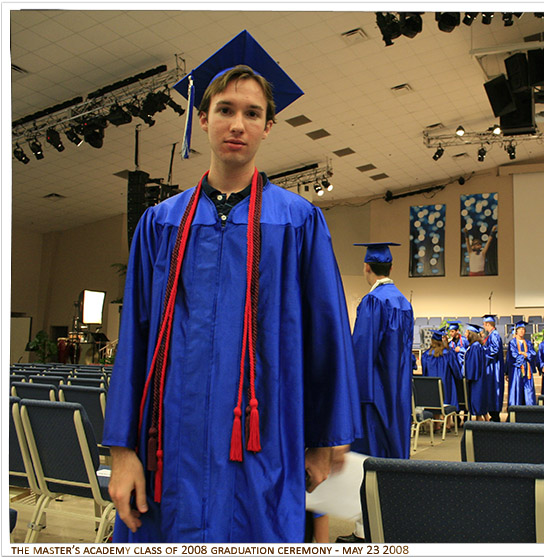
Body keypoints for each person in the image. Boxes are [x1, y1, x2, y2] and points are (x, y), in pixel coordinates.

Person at [103, 31, 360, 543]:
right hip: (168, 450)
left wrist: (323, 442)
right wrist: (122, 451)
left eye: (251, 112)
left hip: (265, 447)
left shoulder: (298, 222)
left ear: (269, 125)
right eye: (224, 109)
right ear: (202, 120)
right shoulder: (160, 225)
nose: (236, 124)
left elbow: (327, 336)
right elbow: (133, 340)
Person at [338, 241, 414, 543]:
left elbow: (361, 352)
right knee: (393, 457)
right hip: (397, 396)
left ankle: (365, 531)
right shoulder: (404, 303)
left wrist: (350, 398)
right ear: (391, 268)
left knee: (367, 460)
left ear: (366, 268)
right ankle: (392, 523)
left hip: (372, 397)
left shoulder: (373, 302)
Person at [420, 329, 461, 408]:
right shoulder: (448, 353)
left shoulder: (426, 355)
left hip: (432, 389)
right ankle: (448, 419)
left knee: (434, 407)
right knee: (448, 408)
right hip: (446, 387)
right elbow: (456, 371)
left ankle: (435, 418)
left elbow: (424, 374)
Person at [506, 321, 539, 406]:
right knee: (516, 390)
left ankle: (529, 411)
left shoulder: (528, 343)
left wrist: (524, 354)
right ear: (516, 331)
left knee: (528, 390)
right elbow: (514, 356)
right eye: (520, 329)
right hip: (516, 370)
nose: (521, 331)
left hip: (527, 371)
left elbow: (533, 354)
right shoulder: (512, 343)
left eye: (523, 329)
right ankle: (515, 409)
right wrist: (525, 355)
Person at [463, 323, 487, 420]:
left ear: (471, 334)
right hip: (478, 377)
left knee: (477, 400)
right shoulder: (476, 346)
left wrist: (469, 376)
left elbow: (474, 363)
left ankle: (480, 422)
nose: (465, 334)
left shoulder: (475, 347)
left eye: (467, 332)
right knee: (478, 401)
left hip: (476, 378)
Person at [482, 314, 504, 422]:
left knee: (494, 390)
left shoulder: (494, 335)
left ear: (488, 324)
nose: (484, 326)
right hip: (492, 367)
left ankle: (495, 415)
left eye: (484, 324)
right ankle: (493, 415)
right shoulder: (491, 335)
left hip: (494, 367)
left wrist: (483, 352)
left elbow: (494, 350)